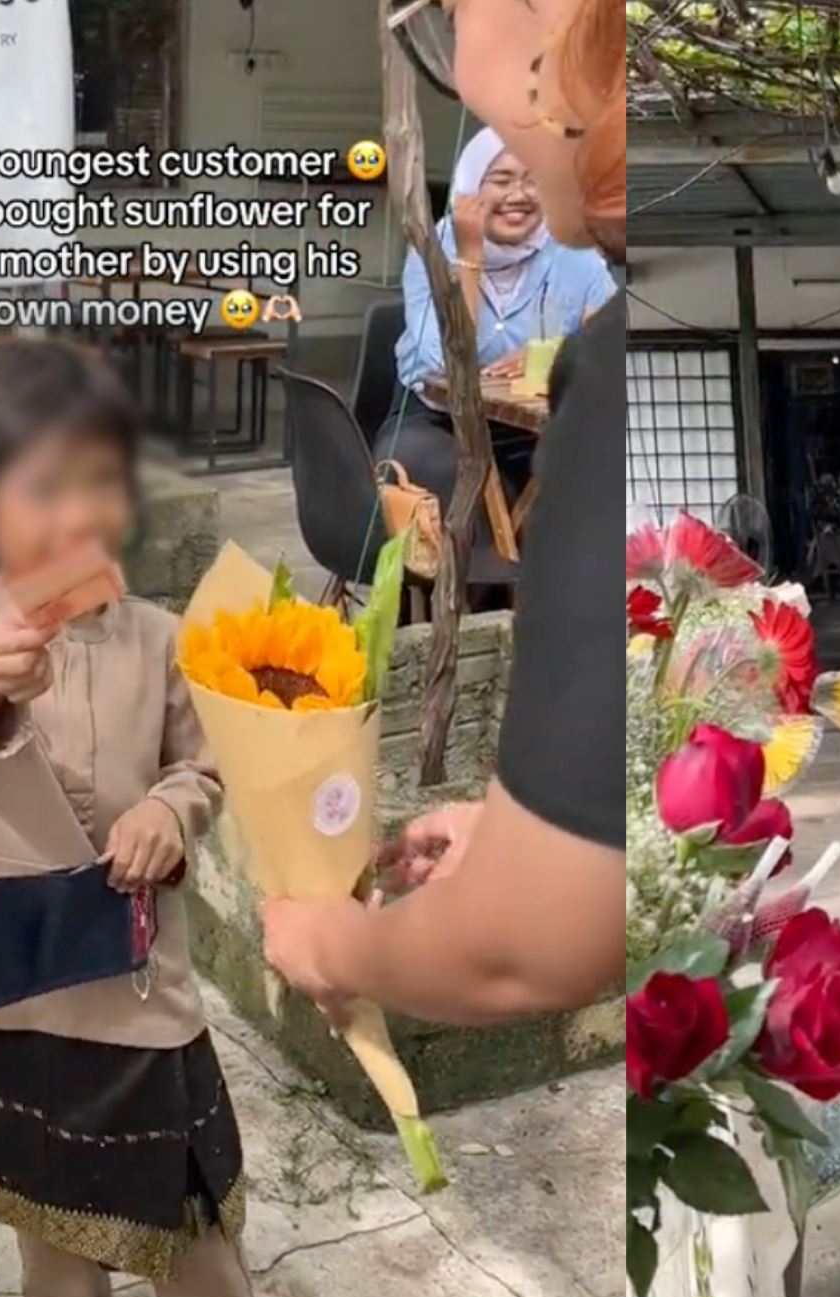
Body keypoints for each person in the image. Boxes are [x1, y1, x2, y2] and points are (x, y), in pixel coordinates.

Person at [260, 0, 625, 1024]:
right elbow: (428, 362)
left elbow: (516, 953)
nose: (457, 68)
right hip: (446, 421)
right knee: (430, 481)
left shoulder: (596, 312)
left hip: (530, 430)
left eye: (449, 18)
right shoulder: (460, 257)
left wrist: (332, 941)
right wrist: (522, 830)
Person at [0, 341, 250, 1297]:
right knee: (38, 1180)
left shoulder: (165, 636)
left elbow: (207, 766)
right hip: (13, 969)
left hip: (137, 977)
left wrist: (171, 812)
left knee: (181, 1182)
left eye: (98, 479)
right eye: (39, 486)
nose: (73, 513)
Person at [377, 125, 616, 512]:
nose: (518, 196)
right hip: (438, 419)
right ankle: (480, 572)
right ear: (470, 187)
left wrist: (557, 350)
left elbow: (611, 329)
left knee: (588, 476)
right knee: (446, 480)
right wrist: (470, 256)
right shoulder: (432, 252)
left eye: (532, 181)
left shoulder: (572, 250)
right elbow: (445, 363)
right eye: (501, 180)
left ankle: (537, 570)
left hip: (531, 428)